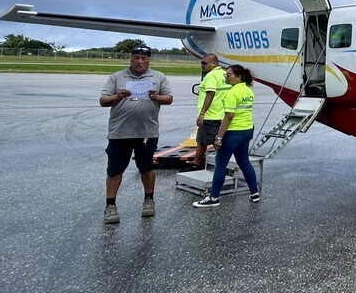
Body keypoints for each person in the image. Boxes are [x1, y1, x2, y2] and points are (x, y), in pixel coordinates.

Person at [99, 45, 173, 224]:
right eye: (136, 58)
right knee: (115, 170)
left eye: (144, 58)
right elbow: (103, 100)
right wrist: (116, 97)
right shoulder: (117, 77)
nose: (140, 61)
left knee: (146, 168)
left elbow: (169, 98)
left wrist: (157, 97)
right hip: (120, 133)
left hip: (147, 132)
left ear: (149, 60)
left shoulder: (158, 77)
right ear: (130, 58)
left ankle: (149, 200)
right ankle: (110, 205)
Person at [191, 64, 260, 207]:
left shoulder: (232, 93)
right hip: (246, 130)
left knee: (221, 164)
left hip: (233, 132)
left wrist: (219, 137)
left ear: (238, 77)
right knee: (244, 162)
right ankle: (254, 193)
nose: (226, 77)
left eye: (228, 75)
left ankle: (213, 197)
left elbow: (228, 116)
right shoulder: (248, 91)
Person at [192, 52, 229, 170]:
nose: (202, 65)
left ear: (213, 63)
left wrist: (202, 113)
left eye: (204, 63)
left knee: (214, 143)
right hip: (222, 115)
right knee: (202, 141)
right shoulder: (225, 74)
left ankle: (225, 167)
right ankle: (196, 164)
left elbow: (210, 94)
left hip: (210, 116)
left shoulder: (211, 76)